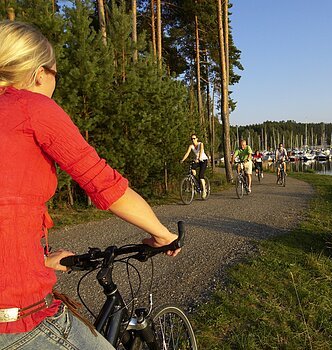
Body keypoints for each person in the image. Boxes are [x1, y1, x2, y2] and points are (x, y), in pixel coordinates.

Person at [0, 21, 180, 349]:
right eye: (56, 74)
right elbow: (105, 185)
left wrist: (37, 261)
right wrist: (163, 234)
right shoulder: (30, 106)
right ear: (40, 73)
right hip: (13, 318)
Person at [180, 133, 209, 198]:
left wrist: (199, 158)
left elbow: (201, 151)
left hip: (203, 160)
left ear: (197, 139)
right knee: (192, 170)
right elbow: (187, 153)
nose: (193, 140)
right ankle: (196, 184)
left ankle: (204, 190)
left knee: (201, 175)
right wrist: (182, 160)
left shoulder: (200, 144)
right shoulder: (191, 146)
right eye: (191, 139)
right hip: (197, 160)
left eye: (194, 138)